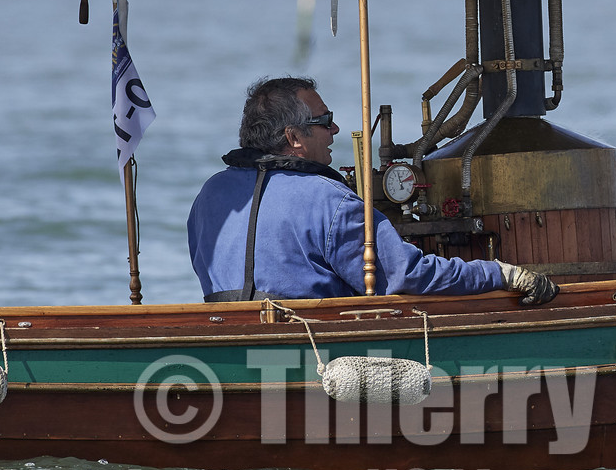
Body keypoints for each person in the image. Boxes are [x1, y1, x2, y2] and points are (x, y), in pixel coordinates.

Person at [188, 76, 558, 305]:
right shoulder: (328, 201)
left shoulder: (209, 196)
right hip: (317, 354)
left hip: (231, 345)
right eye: (325, 122)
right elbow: (407, 276)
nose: (334, 131)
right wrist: (499, 275)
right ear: (293, 137)